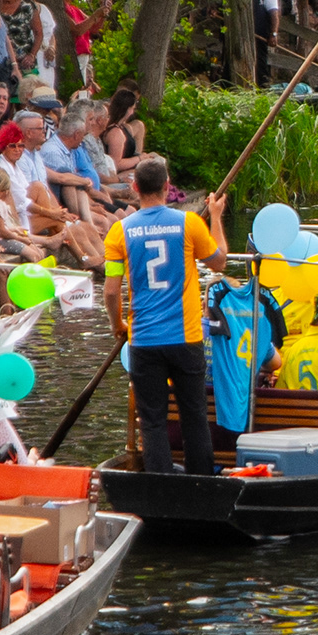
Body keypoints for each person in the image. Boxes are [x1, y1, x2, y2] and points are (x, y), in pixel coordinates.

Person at [112, 156, 218, 476]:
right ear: (167, 186)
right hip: (185, 337)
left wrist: (118, 325)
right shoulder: (189, 223)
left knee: (153, 420)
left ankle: (160, 484)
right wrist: (216, 217)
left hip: (143, 339)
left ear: (134, 188)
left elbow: (110, 291)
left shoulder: (120, 231)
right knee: (194, 415)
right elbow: (219, 263)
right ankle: (200, 481)